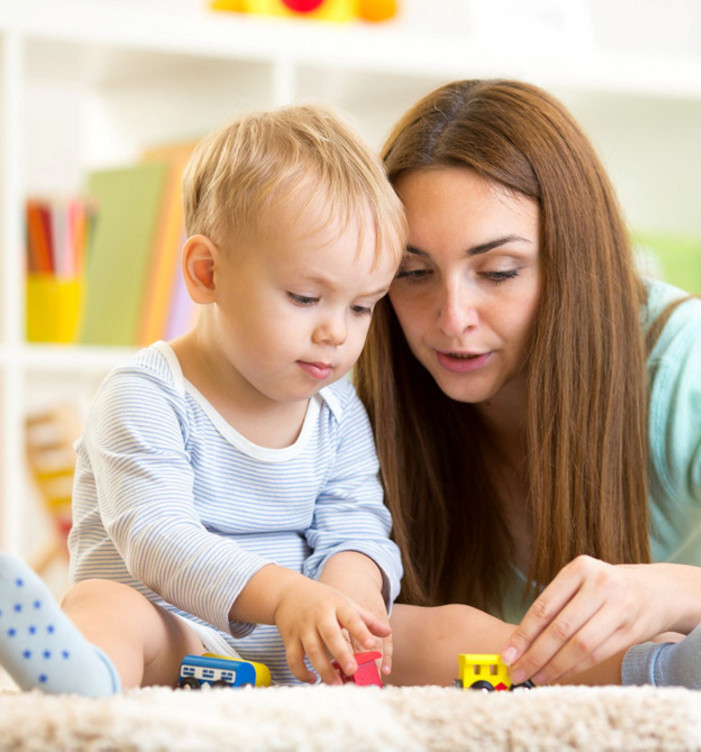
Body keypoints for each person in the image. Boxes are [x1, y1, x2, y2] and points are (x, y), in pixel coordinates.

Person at [355, 78, 701, 689]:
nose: (452, 317)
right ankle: (654, 673)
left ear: (573, 262)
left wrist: (676, 593)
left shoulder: (686, 362)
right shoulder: (365, 371)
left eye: (497, 272)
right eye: (413, 273)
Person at [0, 104, 408, 695]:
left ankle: (537, 655)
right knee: (107, 606)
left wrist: (347, 605)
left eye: (362, 306)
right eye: (304, 297)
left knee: (438, 628)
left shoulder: (337, 409)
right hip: (183, 643)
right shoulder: (144, 394)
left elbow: (357, 525)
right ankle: (88, 680)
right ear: (207, 273)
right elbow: (160, 539)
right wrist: (289, 596)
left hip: (302, 647)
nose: (336, 334)